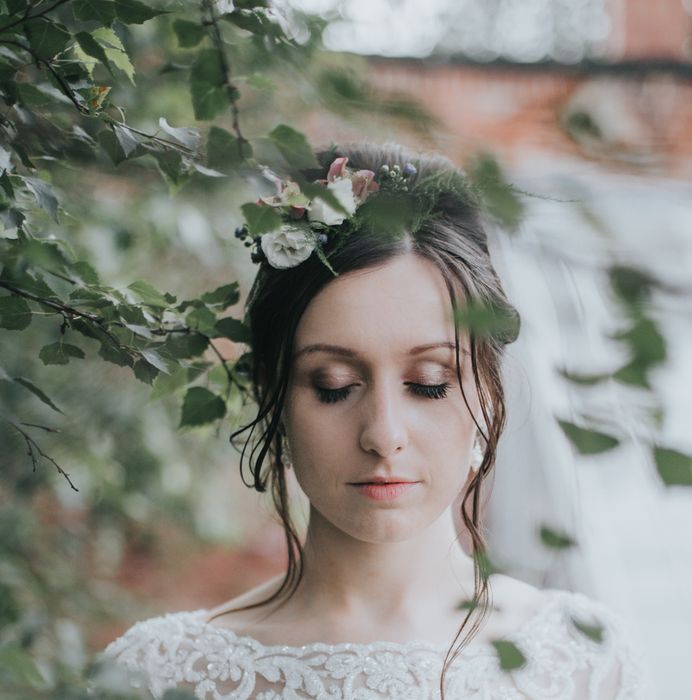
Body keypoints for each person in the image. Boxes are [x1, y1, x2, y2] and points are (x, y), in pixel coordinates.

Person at [99, 142, 644, 699]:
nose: (384, 434)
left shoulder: (581, 660)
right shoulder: (160, 676)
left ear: (486, 392)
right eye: (333, 386)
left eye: (429, 384)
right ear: (273, 391)